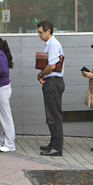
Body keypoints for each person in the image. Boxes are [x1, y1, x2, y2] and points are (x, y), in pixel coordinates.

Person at [37, 21, 65, 156]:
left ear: (48, 31)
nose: (39, 35)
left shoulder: (53, 44)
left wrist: (41, 74)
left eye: (41, 32)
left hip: (54, 82)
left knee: (54, 116)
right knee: (51, 115)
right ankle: (53, 144)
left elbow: (52, 66)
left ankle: (57, 147)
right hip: (51, 81)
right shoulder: (50, 44)